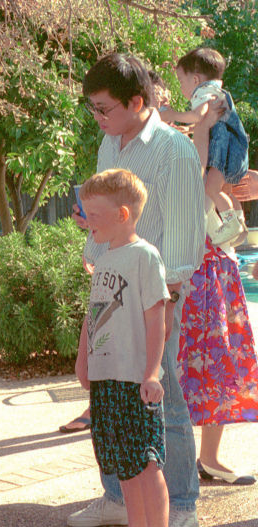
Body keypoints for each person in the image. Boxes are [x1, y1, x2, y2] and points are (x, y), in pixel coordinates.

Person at [69, 53, 205, 527]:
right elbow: (104, 210)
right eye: (92, 108)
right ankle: (119, 499)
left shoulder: (174, 150)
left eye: (104, 109)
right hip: (111, 292)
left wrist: (156, 300)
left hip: (154, 295)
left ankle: (183, 505)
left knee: (159, 396)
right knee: (110, 402)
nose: (98, 118)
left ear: (138, 100)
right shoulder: (110, 144)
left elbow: (187, 240)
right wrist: (96, 251)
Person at [76, 168, 170, 527]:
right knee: (124, 466)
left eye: (93, 215)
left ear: (122, 215)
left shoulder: (144, 256)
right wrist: (83, 361)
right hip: (106, 380)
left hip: (135, 380)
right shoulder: (102, 261)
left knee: (146, 464)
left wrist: (151, 372)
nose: (87, 221)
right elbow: (93, 314)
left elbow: (155, 316)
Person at [177, 105, 258, 486]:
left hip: (220, 287)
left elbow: (234, 237)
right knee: (209, 366)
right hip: (207, 290)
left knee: (219, 368)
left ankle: (208, 457)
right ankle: (202, 457)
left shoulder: (220, 196)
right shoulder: (204, 192)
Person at [160, 47, 250, 246]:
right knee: (225, 191)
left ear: (195, 80)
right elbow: (209, 122)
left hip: (222, 151)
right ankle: (239, 224)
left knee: (211, 189)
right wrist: (190, 130)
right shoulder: (218, 92)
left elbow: (199, 115)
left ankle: (231, 224)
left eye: (181, 81)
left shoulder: (204, 92)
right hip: (233, 149)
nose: (181, 87)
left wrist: (172, 115)